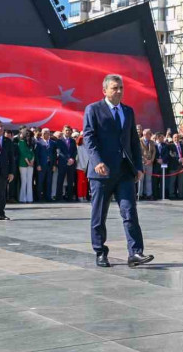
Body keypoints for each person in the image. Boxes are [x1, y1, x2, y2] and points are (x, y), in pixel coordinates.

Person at [82, 74, 153, 268]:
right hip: (102, 172)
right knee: (99, 214)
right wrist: (97, 161)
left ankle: (136, 253)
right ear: (104, 90)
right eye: (115, 88)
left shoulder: (128, 111)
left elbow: (133, 142)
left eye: (121, 87)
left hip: (124, 171)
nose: (119, 91)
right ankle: (100, 251)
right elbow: (89, 138)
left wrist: (138, 166)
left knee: (130, 211)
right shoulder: (93, 110)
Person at [55, 125, 78, 202]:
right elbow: (59, 152)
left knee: (70, 180)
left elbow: (75, 151)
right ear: (63, 131)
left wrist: (72, 159)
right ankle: (59, 197)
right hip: (63, 163)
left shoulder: (73, 141)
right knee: (60, 180)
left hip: (71, 163)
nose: (68, 132)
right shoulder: (59, 140)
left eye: (69, 130)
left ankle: (70, 197)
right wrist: (67, 159)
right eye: (66, 130)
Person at [34, 128, 54, 202]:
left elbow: (54, 154)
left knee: (49, 182)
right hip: (41, 165)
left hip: (49, 165)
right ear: (42, 134)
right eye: (45, 133)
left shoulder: (52, 143)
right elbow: (36, 154)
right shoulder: (38, 142)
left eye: (48, 133)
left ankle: (48, 197)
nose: (47, 134)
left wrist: (54, 165)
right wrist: (38, 164)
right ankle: (39, 197)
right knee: (40, 182)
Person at [17, 129, 35, 203]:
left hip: (31, 163)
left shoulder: (31, 142)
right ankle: (22, 198)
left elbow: (33, 152)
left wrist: (32, 160)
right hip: (23, 164)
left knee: (30, 181)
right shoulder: (21, 142)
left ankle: (30, 198)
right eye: (27, 134)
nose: (28, 136)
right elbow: (23, 153)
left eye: (29, 134)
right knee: (24, 181)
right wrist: (28, 162)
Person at [139, 129, 156, 200]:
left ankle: (148, 194)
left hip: (149, 163)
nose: (150, 135)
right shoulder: (139, 141)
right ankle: (140, 194)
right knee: (141, 179)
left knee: (148, 179)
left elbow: (154, 151)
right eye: (149, 134)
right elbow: (138, 152)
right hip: (142, 162)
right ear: (145, 134)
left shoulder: (152, 142)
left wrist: (151, 160)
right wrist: (144, 159)